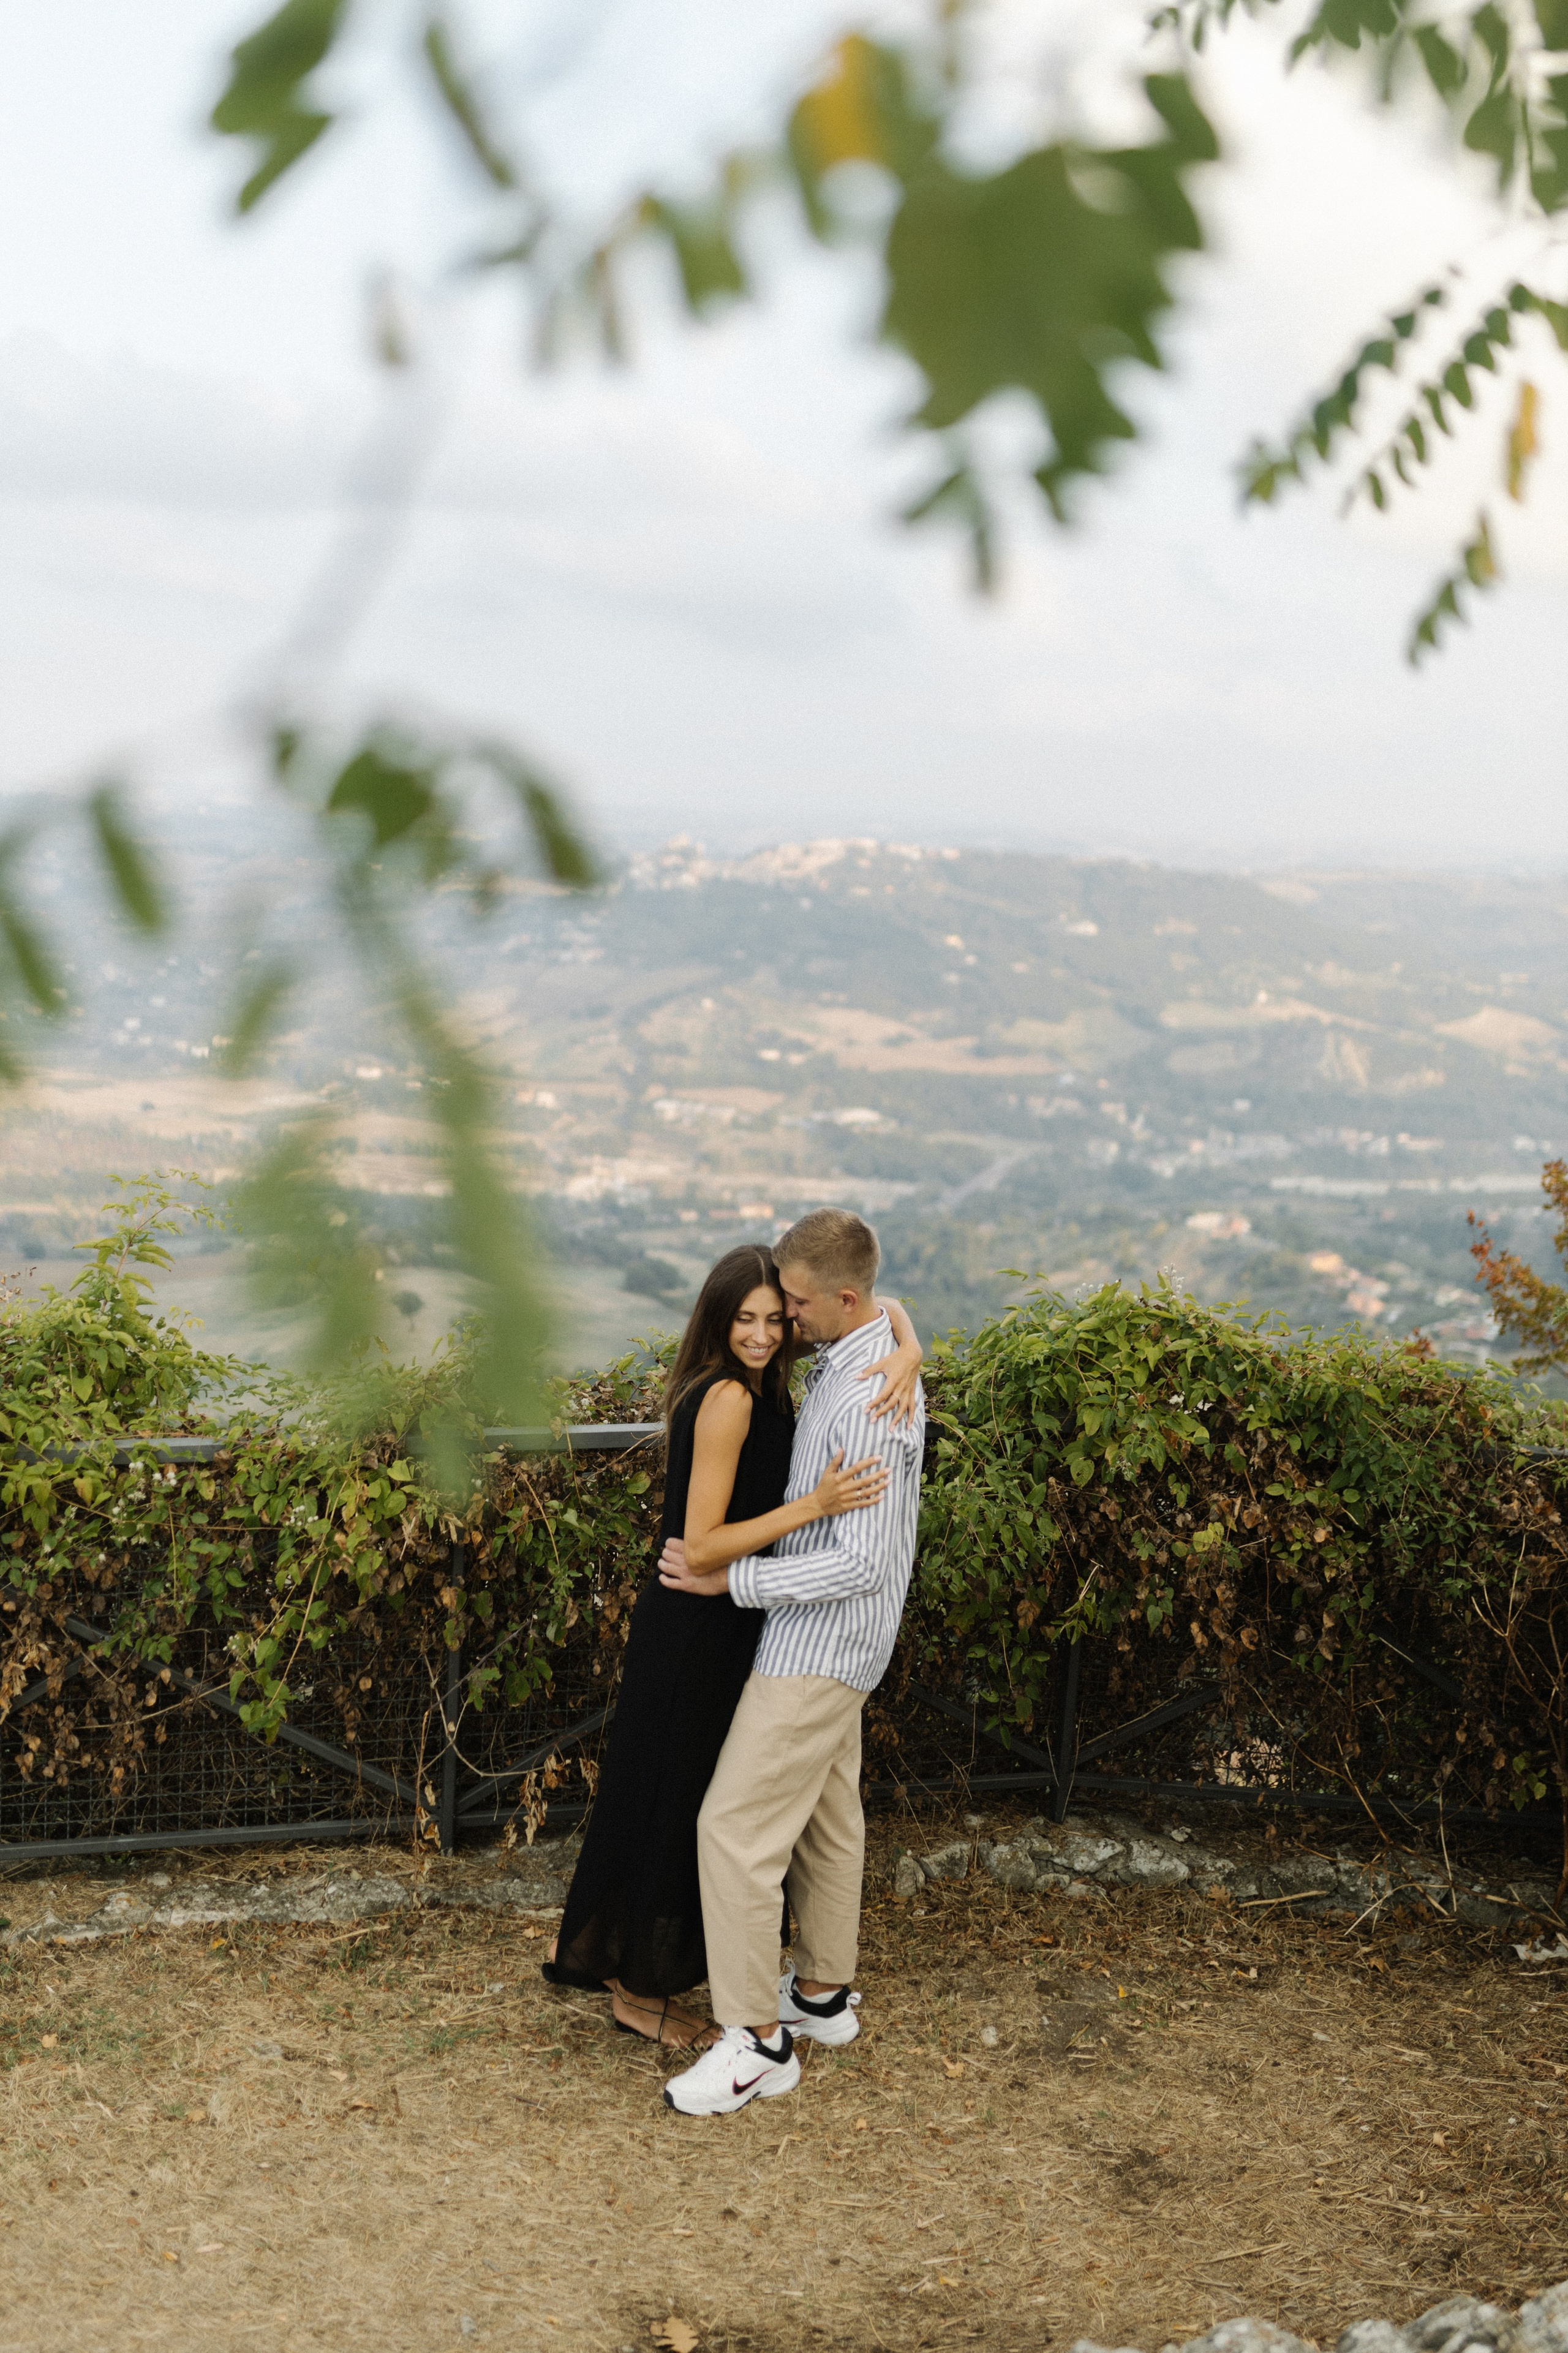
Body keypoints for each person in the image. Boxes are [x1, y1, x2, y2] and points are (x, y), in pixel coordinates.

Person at [542, 1241, 924, 2048]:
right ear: (719, 1320)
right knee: (672, 1804)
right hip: (697, 1628)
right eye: (744, 1317)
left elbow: (874, 1305)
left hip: (733, 1628)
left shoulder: (770, 1384)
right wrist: (814, 1503)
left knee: (680, 1803)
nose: (762, 1331)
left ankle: (656, 1979)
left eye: (776, 1315)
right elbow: (703, 1545)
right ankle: (636, 1993)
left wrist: (909, 1342)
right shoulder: (731, 1400)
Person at [655, 1206, 924, 2115]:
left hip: (819, 1646)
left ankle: (756, 2042)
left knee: (731, 1830)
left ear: (845, 1300)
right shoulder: (871, 1350)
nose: (786, 1319)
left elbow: (862, 1560)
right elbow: (890, 1311)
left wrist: (730, 1585)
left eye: (799, 1303)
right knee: (829, 1816)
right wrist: (909, 1333)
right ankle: (820, 1998)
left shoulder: (870, 1398)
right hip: (839, 1644)